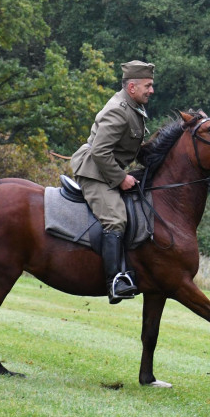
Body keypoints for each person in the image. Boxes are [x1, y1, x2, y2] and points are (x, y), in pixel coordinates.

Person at [70, 60, 155, 303]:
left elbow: (131, 147)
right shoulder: (118, 109)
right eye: (147, 86)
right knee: (116, 219)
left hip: (106, 167)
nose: (151, 90)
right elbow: (100, 152)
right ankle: (115, 281)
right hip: (94, 171)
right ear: (132, 87)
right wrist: (120, 179)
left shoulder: (133, 106)